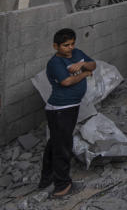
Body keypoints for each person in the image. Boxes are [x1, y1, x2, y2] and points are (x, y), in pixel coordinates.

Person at [40, 28, 96, 198]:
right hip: (60, 109)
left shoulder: (77, 53)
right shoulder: (55, 63)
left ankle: (46, 180)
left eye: (72, 44)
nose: (70, 48)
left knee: (55, 143)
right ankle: (62, 186)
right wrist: (86, 73)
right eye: (65, 45)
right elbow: (66, 81)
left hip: (71, 106)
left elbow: (93, 64)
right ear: (55, 46)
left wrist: (83, 65)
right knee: (63, 147)